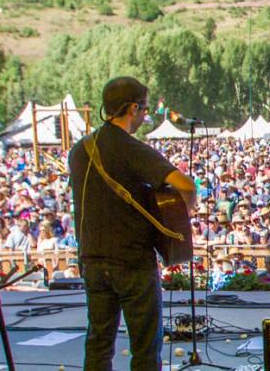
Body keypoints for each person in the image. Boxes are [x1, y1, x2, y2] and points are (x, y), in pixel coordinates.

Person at [69, 77, 199, 371]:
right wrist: (179, 218)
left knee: (98, 344)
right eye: (144, 109)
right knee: (145, 347)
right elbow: (187, 186)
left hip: (92, 260)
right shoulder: (130, 148)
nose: (144, 116)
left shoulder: (80, 150)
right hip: (131, 261)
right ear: (131, 108)